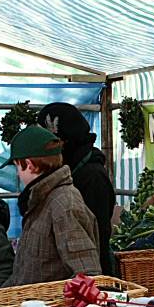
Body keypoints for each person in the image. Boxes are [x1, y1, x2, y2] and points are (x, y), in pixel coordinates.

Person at [0, 126, 101, 287]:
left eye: (17, 166)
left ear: (30, 165)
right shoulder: (40, 200)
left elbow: (87, 274)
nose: (18, 174)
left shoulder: (64, 204)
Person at [38, 103, 115, 275]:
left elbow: (97, 236)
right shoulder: (68, 170)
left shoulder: (92, 177)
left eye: (51, 143)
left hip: (88, 275)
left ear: (65, 141)